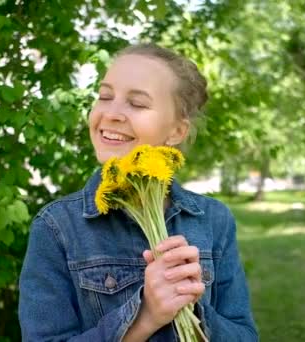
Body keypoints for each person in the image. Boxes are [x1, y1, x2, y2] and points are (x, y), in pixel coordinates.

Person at [18, 43, 258, 341]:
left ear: (176, 131)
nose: (112, 113)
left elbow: (244, 334)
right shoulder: (56, 227)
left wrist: (193, 309)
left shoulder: (213, 220)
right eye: (105, 96)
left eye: (138, 103)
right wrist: (145, 317)